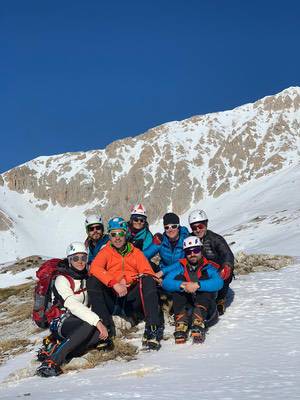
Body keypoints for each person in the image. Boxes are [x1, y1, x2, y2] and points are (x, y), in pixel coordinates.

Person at [87, 217, 162, 350]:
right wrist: (114, 282)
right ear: (109, 235)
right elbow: (95, 268)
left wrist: (128, 280)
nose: (117, 237)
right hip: (112, 297)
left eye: (120, 233)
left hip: (131, 300)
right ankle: (106, 330)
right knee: (93, 281)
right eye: (113, 234)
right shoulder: (106, 251)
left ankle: (152, 328)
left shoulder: (136, 252)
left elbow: (147, 271)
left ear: (126, 233)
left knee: (148, 280)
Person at [36, 242, 109, 378]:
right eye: (75, 258)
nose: (80, 262)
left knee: (99, 337)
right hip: (60, 321)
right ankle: (52, 361)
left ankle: (54, 345)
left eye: (83, 258)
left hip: (79, 321)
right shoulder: (61, 279)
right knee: (91, 324)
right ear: (69, 260)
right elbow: (72, 304)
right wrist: (97, 322)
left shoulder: (86, 277)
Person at [162, 236, 223, 344]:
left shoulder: (208, 267)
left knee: (205, 280)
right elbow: (166, 282)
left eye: (196, 250)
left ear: (201, 250)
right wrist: (182, 285)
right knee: (178, 280)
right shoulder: (181, 267)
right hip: (188, 307)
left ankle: (198, 320)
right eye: (189, 252)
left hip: (207, 310)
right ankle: (181, 322)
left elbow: (218, 282)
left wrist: (198, 285)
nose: (192, 254)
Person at [188, 209, 234, 315]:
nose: (198, 230)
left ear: (206, 224)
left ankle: (221, 298)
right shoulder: (189, 239)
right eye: (194, 227)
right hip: (198, 272)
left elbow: (227, 254)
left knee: (226, 273)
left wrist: (227, 266)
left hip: (216, 272)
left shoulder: (216, 239)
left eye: (200, 226)